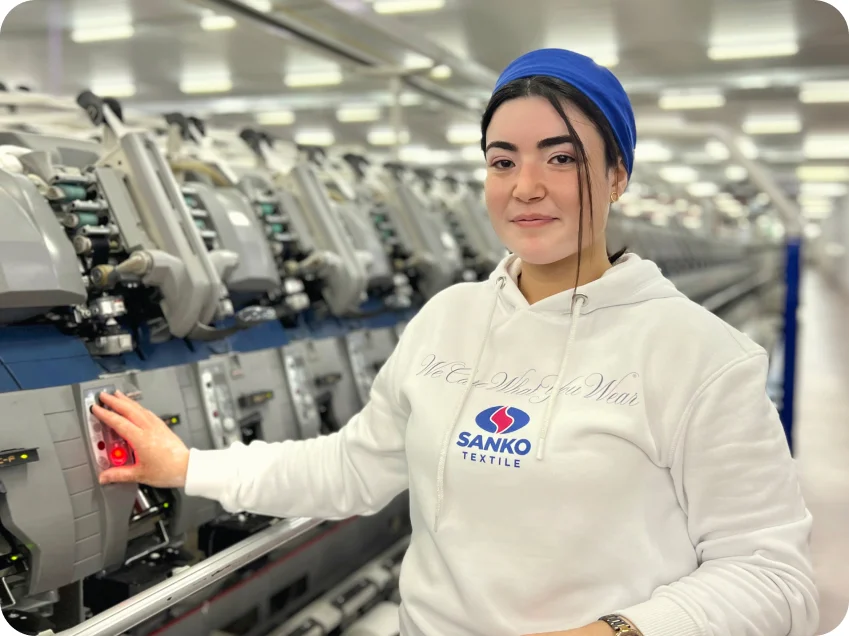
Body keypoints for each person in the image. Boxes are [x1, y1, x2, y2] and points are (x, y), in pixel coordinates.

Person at [92, 48, 819, 636]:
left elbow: (772, 577)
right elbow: (351, 466)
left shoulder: (701, 355)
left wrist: (617, 631)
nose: (525, 186)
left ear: (616, 175)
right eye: (502, 160)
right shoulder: (448, 319)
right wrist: (189, 466)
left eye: (560, 158)